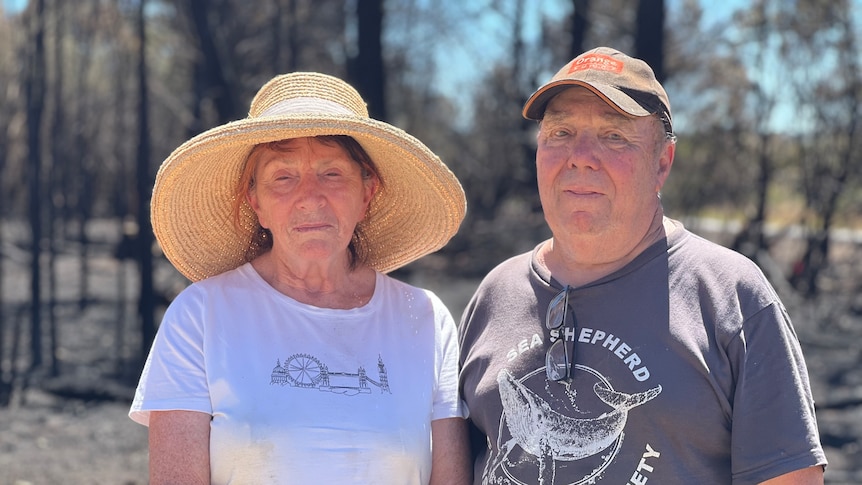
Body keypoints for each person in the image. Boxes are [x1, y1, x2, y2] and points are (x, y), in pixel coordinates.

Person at [458, 47, 827, 484]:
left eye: (614, 136)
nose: (580, 155)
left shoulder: (732, 296)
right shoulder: (495, 294)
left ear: (662, 163)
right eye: (560, 132)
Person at [129, 72, 471, 484]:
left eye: (331, 173)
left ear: (367, 193)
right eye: (283, 177)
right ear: (255, 200)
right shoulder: (200, 316)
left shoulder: (426, 320)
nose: (310, 197)